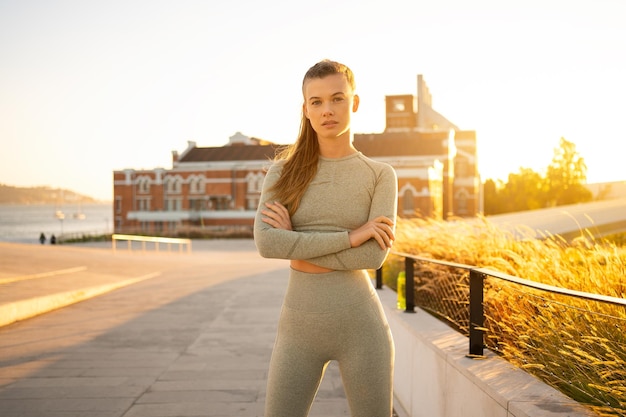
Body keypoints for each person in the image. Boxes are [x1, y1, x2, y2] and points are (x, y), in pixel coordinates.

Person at [254, 59, 398, 417]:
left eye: (336, 98)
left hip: (361, 327)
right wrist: (350, 237)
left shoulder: (380, 175)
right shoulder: (282, 173)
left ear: (355, 103)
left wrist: (296, 241)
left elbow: (371, 259)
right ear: (305, 109)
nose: (326, 110)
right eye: (316, 102)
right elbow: (266, 244)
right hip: (297, 330)